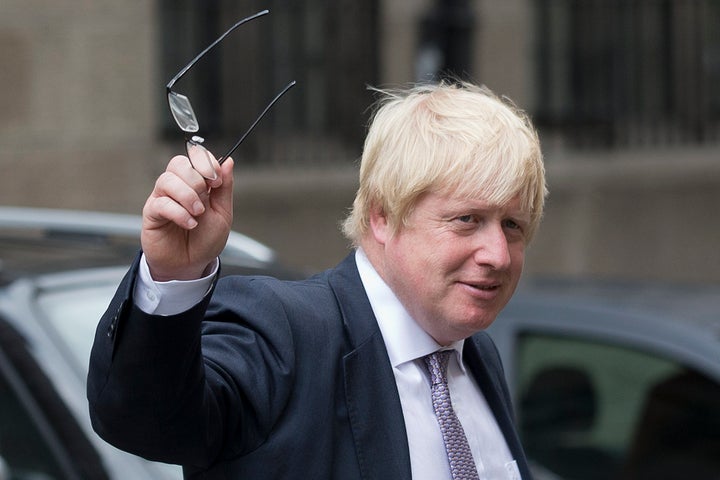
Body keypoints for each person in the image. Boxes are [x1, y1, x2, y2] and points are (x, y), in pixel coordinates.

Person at [87, 80, 547, 480]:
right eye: (467, 219)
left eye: (513, 225)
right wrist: (173, 275)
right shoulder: (285, 333)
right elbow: (146, 421)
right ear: (382, 216)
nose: (497, 255)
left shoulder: (473, 355)